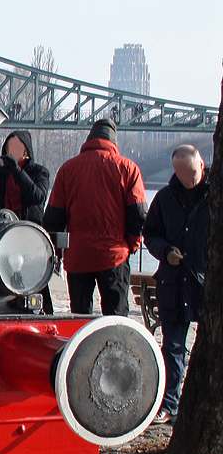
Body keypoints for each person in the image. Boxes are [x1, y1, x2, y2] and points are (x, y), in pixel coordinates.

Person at [43, 119, 147, 316]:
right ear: (113, 140)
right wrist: (132, 245)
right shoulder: (128, 168)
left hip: (78, 256)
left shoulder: (67, 169)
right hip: (114, 255)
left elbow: (53, 218)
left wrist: (57, 253)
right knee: (116, 319)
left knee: (80, 318)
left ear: (89, 139)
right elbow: (139, 215)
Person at [142, 145, 210, 425]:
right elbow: (150, 233)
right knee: (172, 348)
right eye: (182, 177)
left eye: (192, 175)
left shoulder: (214, 196)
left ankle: (203, 405)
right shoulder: (164, 198)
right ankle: (169, 404)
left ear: (202, 165)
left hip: (205, 283)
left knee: (208, 348)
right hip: (173, 283)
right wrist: (165, 250)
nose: (189, 182)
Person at [0, 129, 53, 312]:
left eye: (17, 147)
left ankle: (41, 310)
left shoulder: (39, 172)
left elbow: (37, 196)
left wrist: (16, 170)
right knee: (3, 277)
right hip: (5, 237)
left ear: (26, 150)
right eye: (10, 147)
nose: (13, 151)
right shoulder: (1, 175)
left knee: (34, 279)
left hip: (30, 237)